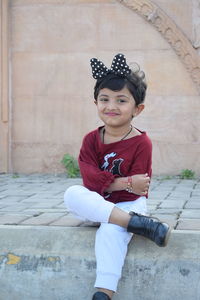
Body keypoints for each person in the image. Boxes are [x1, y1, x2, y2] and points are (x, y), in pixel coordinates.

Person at [64, 53, 171, 300]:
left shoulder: (141, 142)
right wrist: (124, 182)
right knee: (72, 193)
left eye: (121, 100)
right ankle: (138, 225)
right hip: (98, 204)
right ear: (95, 103)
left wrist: (122, 186)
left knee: (111, 232)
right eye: (104, 99)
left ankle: (103, 293)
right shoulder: (91, 139)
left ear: (138, 108)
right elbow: (89, 179)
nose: (111, 106)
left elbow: (138, 188)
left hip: (129, 205)